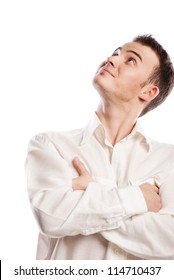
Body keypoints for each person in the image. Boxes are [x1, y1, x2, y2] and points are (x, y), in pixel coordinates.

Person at [26, 34, 174, 260]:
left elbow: (169, 240)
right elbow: (51, 217)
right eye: (116, 53)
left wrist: (89, 192)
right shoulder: (50, 145)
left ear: (148, 91)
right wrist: (138, 199)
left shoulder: (168, 160)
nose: (111, 59)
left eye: (130, 60)